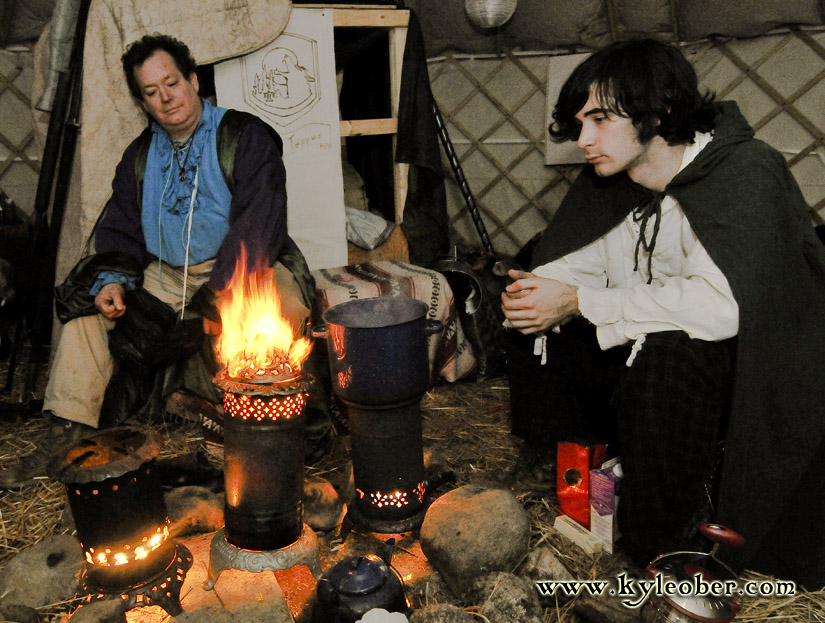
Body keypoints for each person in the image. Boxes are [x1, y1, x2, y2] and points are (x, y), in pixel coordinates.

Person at [502, 38, 825, 588]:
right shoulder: (620, 181)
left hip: (748, 372)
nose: (583, 140)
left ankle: (658, 542)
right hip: (641, 357)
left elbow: (722, 308)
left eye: (600, 119)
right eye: (579, 123)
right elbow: (590, 258)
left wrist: (582, 301)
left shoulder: (744, 174)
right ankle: (571, 464)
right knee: (535, 304)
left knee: (672, 353)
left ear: (659, 112)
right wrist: (544, 290)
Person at [0, 34, 332, 489]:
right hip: (167, 272)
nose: (166, 99)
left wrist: (211, 304)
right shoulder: (139, 157)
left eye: (172, 83)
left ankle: (284, 435)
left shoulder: (242, 136)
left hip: (245, 263)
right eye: (151, 93)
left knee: (279, 312)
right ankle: (67, 433)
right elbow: (120, 229)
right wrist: (113, 282)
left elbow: (258, 224)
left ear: (193, 80)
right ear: (142, 102)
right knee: (87, 308)